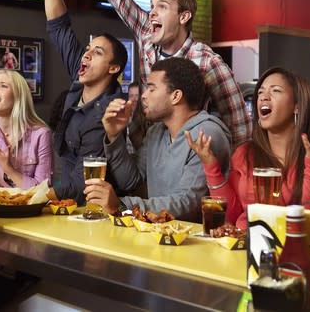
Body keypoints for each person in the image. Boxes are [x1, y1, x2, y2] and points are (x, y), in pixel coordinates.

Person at [70, 0, 251, 148]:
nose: (152, 12)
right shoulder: (148, 35)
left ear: (184, 16)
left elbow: (240, 127)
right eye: (151, 6)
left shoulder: (207, 62)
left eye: (162, 7)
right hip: (144, 148)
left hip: (186, 157)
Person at [186, 67, 310, 229]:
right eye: (260, 92)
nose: (263, 97)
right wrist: (210, 165)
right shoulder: (244, 153)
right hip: (245, 246)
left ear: (297, 106)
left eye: (276, 91)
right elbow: (232, 216)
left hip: (293, 249)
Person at [36, 0, 135, 204]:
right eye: (88, 49)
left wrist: (34, 197)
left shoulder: (106, 112)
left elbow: (81, 181)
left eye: (97, 52)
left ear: (113, 69)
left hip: (89, 211)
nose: (86, 55)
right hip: (64, 202)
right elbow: (59, 26)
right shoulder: (81, 79)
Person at [84, 57, 232, 222]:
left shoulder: (206, 133)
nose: (144, 96)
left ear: (176, 96)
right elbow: (131, 181)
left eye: (151, 89)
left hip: (196, 241)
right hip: (158, 235)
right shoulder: (156, 132)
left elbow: (189, 203)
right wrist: (114, 135)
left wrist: (122, 204)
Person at [0, 69, 53, 188]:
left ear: (18, 96)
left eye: (3, 86)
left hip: (26, 205)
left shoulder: (41, 135)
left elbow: (43, 191)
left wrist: (7, 167)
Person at [126, 81, 150, 154]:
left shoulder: (147, 118)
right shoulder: (123, 116)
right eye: (131, 95)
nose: (134, 99)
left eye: (137, 95)